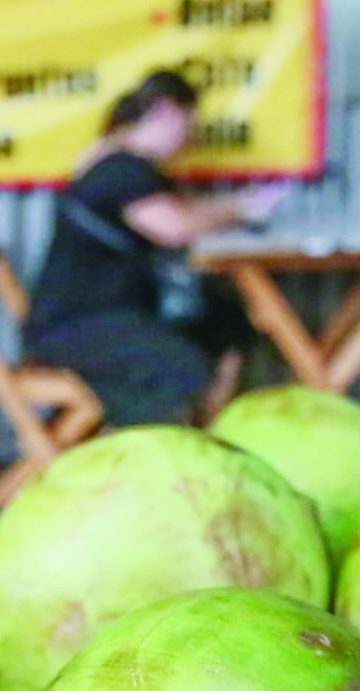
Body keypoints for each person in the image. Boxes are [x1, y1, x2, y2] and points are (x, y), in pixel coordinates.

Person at [22, 70, 286, 428]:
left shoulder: (119, 163)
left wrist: (227, 208)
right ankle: (150, 454)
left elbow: (180, 212)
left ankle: (210, 437)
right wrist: (242, 208)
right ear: (165, 112)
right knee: (181, 367)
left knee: (227, 322)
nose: (188, 137)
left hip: (102, 317)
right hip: (80, 327)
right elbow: (174, 227)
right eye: (187, 123)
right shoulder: (121, 167)